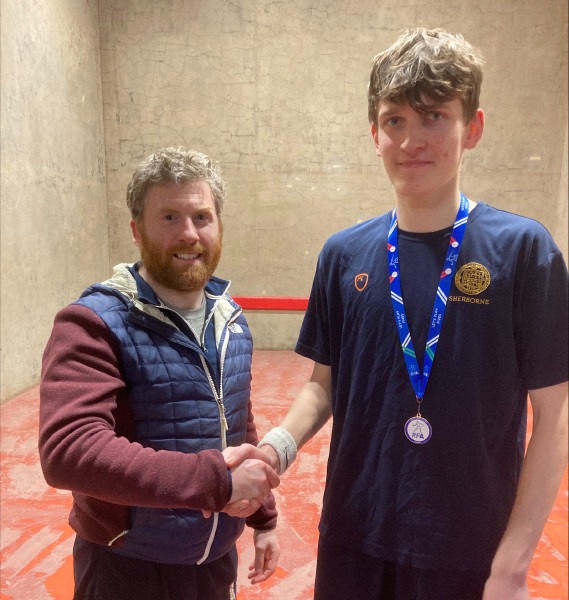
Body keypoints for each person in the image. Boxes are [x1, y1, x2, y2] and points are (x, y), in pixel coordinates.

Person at [226, 28, 568, 599]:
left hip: (470, 549)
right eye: (395, 120)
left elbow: (554, 415)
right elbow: (323, 386)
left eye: (434, 116)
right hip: (354, 538)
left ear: (472, 128)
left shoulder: (524, 252)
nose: (412, 140)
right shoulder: (344, 254)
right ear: (374, 134)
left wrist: (513, 564)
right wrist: (275, 449)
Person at [39, 147, 281, 600]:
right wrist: (217, 483)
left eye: (201, 217)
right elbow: (68, 450)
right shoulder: (93, 323)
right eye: (169, 217)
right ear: (137, 230)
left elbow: (236, 424)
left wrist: (262, 516)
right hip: (127, 568)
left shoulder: (229, 319)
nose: (189, 233)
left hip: (213, 561)